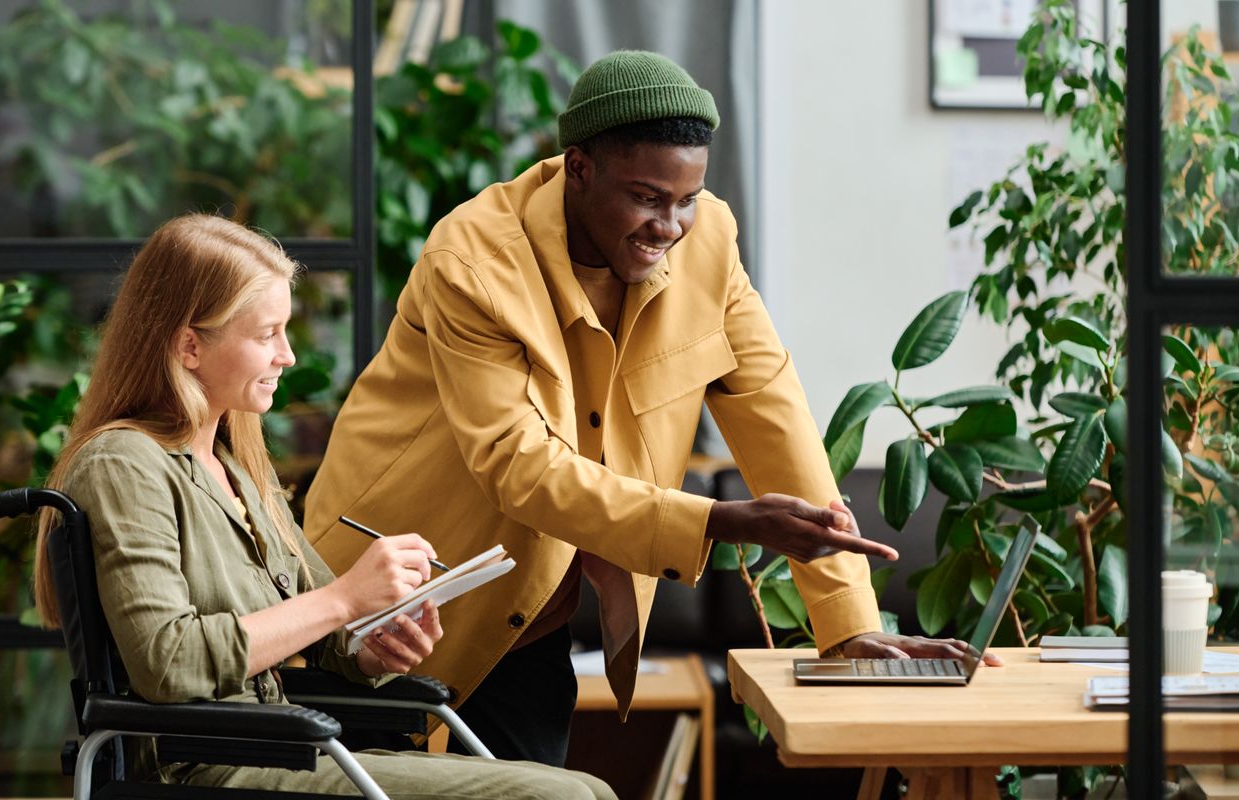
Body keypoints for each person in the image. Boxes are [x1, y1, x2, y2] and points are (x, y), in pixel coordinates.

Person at [304, 50, 999, 767]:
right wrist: (719, 520)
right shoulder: (475, 261)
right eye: (646, 197)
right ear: (579, 168)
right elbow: (517, 465)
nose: (669, 225)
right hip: (380, 603)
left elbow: (774, 415)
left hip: (525, 614)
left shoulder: (711, 244)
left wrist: (848, 624)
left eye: (686, 200)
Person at [30, 214, 616, 800]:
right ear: (189, 345)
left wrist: (372, 640)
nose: (286, 355)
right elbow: (168, 662)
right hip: (208, 768)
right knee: (562, 798)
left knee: (591, 790)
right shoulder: (123, 463)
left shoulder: (236, 469)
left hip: (281, 752)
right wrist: (343, 600)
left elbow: (329, 629)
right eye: (267, 335)